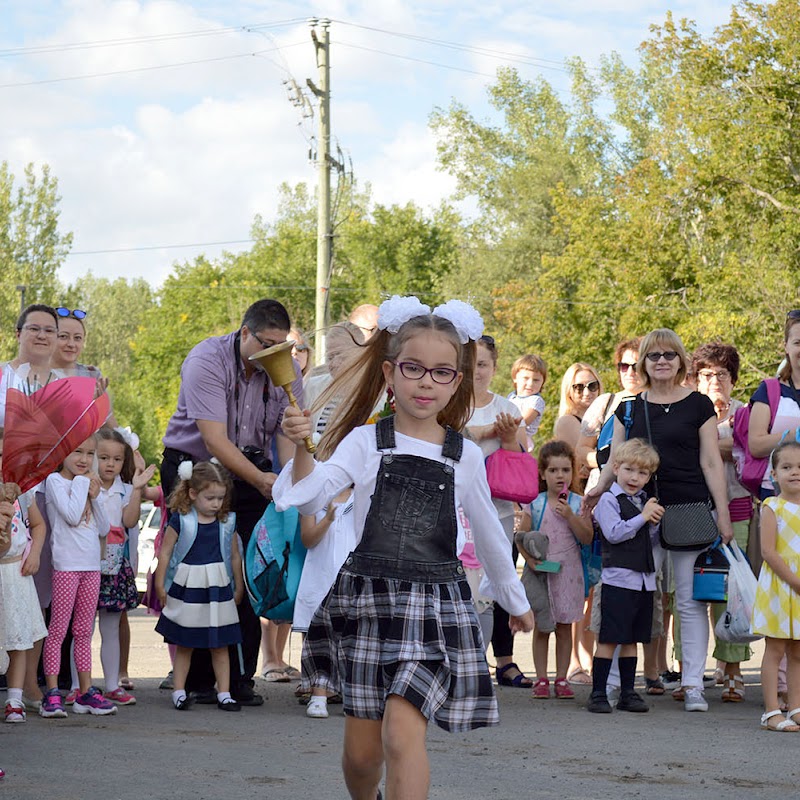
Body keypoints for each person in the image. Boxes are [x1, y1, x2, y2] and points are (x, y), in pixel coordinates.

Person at [274, 295, 534, 800]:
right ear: (391, 374)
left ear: (457, 381)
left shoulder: (465, 457)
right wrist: (301, 446)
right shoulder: (365, 442)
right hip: (368, 603)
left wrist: (515, 600)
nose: (426, 381)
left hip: (435, 608)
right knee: (362, 755)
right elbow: (310, 494)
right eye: (414, 368)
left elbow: (488, 533)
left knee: (402, 731)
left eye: (441, 372)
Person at [586, 328, 733, 713]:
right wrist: (597, 492)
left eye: (669, 354)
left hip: (689, 510)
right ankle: (615, 684)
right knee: (627, 599)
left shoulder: (699, 405)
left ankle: (692, 685)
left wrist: (723, 513)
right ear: (644, 364)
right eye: (654, 356)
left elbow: (711, 460)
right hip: (635, 512)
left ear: (681, 360)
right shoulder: (628, 408)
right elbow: (613, 461)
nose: (662, 360)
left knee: (688, 602)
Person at [161, 298, 300, 705]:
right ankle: (196, 678)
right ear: (245, 334)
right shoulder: (206, 359)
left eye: (283, 344)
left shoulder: (283, 367)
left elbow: (289, 431)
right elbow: (214, 440)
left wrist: (285, 483)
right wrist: (262, 481)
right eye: (267, 343)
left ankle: (238, 678)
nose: (276, 352)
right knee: (201, 563)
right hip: (197, 468)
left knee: (246, 568)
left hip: (253, 471)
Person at [466, 335, 530, 688]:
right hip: (457, 512)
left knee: (495, 583)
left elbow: (519, 456)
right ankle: (465, 658)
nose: (476, 371)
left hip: (498, 511)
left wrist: (505, 437)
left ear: (494, 367)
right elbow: (450, 436)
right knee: (464, 586)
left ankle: (502, 659)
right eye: (470, 363)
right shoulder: (449, 401)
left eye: (483, 364)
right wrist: (486, 431)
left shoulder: (507, 406)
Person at [692, 342, 754, 702]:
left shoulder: (746, 412)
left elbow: (753, 450)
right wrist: (723, 442)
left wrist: (713, 442)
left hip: (738, 506)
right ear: (696, 377)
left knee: (734, 591)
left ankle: (733, 669)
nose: (714, 380)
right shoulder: (689, 408)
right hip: (695, 508)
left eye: (722, 373)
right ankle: (691, 670)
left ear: (733, 378)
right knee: (694, 590)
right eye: (706, 374)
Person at [155, 461, 244, 711]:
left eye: (220, 498)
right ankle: (179, 691)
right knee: (185, 643)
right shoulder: (181, 520)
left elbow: (235, 555)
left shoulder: (227, 522)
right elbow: (165, 552)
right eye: (210, 498)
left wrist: (237, 585)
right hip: (188, 586)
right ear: (193, 494)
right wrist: (161, 583)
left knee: (220, 644)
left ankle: (224, 693)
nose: (216, 504)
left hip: (217, 586)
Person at [41, 434, 116, 718]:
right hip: (66, 566)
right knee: (58, 630)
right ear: (62, 452)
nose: (84, 459)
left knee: (84, 631)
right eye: (77, 452)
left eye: (89, 453)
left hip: (90, 566)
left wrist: (95, 498)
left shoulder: (88, 485)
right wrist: (85, 485)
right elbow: (72, 516)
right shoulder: (55, 482)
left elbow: (104, 527)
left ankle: (84, 692)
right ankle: (52, 693)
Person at [588, 438, 663, 714]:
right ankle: (598, 693)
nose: (635, 477)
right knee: (609, 638)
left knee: (632, 639)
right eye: (629, 470)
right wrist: (643, 517)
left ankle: (628, 693)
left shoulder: (644, 501)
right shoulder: (608, 500)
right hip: (617, 580)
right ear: (616, 468)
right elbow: (615, 533)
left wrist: (654, 522)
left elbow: (648, 538)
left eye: (642, 473)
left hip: (643, 581)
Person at [82, 428, 154, 707]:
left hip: (114, 565)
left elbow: (130, 520)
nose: (110, 464)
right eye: (103, 457)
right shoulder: (84, 484)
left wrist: (136, 489)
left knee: (110, 627)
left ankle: (111, 684)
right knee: (83, 628)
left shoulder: (125, 489)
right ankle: (80, 685)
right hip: (87, 564)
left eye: (117, 459)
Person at [519, 440, 593, 700]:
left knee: (564, 627)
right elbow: (522, 536)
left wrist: (571, 516)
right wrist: (529, 560)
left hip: (569, 573)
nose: (560, 475)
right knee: (542, 627)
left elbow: (587, 538)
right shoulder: (535, 503)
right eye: (553, 470)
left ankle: (562, 677)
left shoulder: (580, 503)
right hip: (542, 574)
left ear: (573, 472)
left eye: (565, 470)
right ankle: (541, 678)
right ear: (542, 473)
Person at [294, 486, 356, 719]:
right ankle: (318, 695)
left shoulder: (366, 491)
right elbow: (308, 539)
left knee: (354, 636)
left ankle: (351, 694)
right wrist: (328, 519)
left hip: (353, 573)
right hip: (321, 574)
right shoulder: (313, 495)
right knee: (319, 635)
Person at [0, 430, 48, 724]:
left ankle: (15, 699)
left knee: (19, 642)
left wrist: (35, 553)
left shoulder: (24, 491)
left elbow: (39, 525)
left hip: (16, 572)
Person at [752, 440, 800, 731]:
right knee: (776, 649)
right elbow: (769, 552)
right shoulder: (773, 506)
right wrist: (796, 582)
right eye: (787, 467)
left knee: (798, 651)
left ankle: (795, 706)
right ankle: (771, 711)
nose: (795, 472)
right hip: (782, 588)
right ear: (773, 474)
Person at [748, 311, 800, 501]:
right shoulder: (769, 390)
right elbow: (755, 445)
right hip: (777, 492)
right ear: (786, 346)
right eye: (797, 343)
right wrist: (793, 436)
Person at [554, 363, 602, 461]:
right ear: (568, 391)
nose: (587, 392)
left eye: (592, 385)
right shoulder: (567, 422)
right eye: (578, 387)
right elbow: (580, 462)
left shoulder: (606, 416)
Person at [507, 354, 547, 452]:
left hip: (522, 439)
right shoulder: (511, 397)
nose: (530, 384)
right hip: (507, 434)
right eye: (526, 378)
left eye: (536, 380)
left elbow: (521, 422)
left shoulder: (535, 401)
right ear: (515, 377)